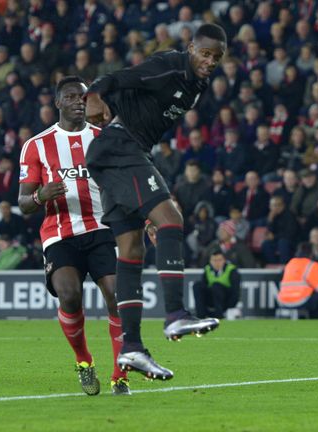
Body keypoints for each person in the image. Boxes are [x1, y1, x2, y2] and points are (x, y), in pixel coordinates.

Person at [83, 24, 227, 380]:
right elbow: (120, 77)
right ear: (191, 47)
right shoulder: (172, 66)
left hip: (121, 153)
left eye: (216, 57)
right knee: (171, 220)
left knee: (131, 250)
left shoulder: (197, 84)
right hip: (120, 147)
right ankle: (176, 314)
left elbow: (137, 102)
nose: (209, 62)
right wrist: (96, 96)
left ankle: (131, 347)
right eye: (205, 53)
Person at [17, 76, 129, 396]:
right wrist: (40, 196)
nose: (79, 101)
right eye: (71, 97)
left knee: (116, 296)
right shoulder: (37, 145)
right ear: (58, 103)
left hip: (100, 228)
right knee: (69, 295)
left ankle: (120, 374)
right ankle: (83, 361)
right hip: (59, 233)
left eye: (82, 97)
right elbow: (23, 202)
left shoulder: (103, 139)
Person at [277, 242, 318, 318]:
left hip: (283, 300)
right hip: (300, 301)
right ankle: (316, 317)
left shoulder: (290, 263)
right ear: (311, 253)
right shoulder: (311, 264)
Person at [193, 250, 241, 320]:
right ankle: (200, 315)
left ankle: (219, 315)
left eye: (219, 260)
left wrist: (229, 307)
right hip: (212, 299)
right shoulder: (207, 269)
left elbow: (235, 292)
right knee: (197, 285)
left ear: (224, 260)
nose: (217, 263)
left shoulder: (231, 270)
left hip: (226, 301)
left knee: (216, 286)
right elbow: (204, 286)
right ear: (210, 261)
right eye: (214, 260)